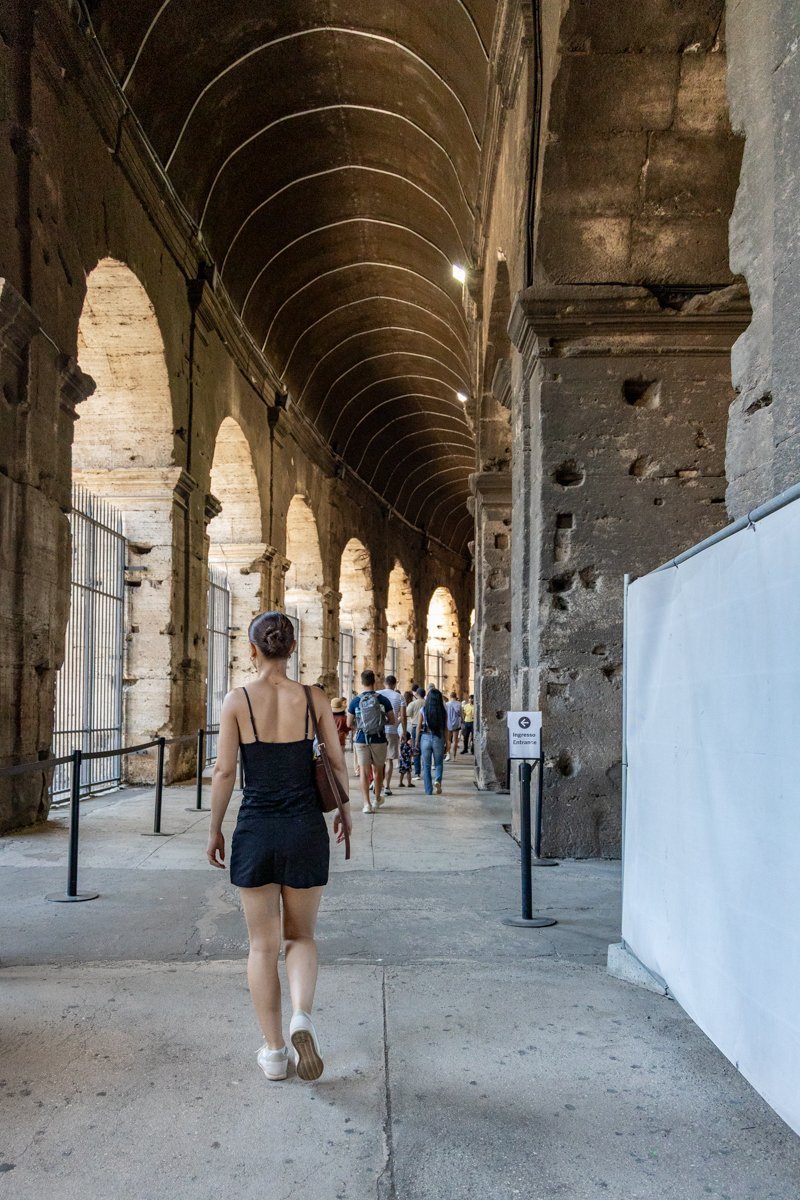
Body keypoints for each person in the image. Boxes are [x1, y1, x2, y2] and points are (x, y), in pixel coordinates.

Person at [206, 611, 351, 1084]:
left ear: (253, 649)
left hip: (256, 830)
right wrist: (346, 812)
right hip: (305, 828)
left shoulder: (237, 701)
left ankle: (273, 1053)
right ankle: (301, 1018)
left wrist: (214, 829)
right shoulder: (314, 698)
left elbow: (225, 773)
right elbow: (335, 760)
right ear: (291, 650)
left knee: (261, 946)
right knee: (301, 937)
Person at [347, 669, 395, 813]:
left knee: (363, 770)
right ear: (374, 682)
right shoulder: (382, 700)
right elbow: (392, 720)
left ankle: (366, 804)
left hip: (361, 739)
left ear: (362, 682)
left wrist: (361, 727)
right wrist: (380, 724)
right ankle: (377, 799)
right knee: (378, 770)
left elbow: (349, 724)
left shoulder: (355, 701)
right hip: (379, 739)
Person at [378, 674, 406, 796]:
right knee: (389, 760)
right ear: (395, 684)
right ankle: (387, 786)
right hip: (392, 731)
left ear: (385, 683)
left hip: (378, 730)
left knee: (378, 760)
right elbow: (403, 716)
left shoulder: (377, 694)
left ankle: (376, 782)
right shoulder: (400, 697)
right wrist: (404, 731)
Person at [417, 685, 447, 795]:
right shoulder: (443, 711)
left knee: (426, 765)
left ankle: (428, 790)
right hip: (438, 737)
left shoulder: (423, 710)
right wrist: (447, 742)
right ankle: (437, 780)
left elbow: (419, 726)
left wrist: (416, 742)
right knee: (439, 763)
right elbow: (445, 728)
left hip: (425, 737)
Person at [406, 686, 425, 780]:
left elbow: (407, 713)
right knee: (425, 750)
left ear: (417, 694)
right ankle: (426, 770)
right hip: (426, 728)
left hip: (415, 727)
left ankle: (417, 773)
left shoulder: (413, 704)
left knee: (416, 750)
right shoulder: (428, 703)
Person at [445, 692, 462, 761]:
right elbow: (461, 713)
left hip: (448, 723)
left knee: (448, 740)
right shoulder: (459, 704)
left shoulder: (447, 704)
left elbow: (445, 714)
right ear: (456, 696)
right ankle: (454, 757)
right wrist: (462, 720)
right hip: (456, 723)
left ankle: (448, 754)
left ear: (450, 696)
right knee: (455, 740)